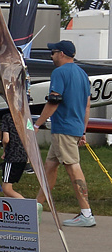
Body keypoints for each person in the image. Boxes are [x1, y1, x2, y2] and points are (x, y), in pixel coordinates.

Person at [32, 39, 93, 226]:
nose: (51, 56)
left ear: (62, 54)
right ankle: (36, 208)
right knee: (50, 166)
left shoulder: (59, 73)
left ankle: (86, 213)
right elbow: (87, 104)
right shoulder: (82, 74)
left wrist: (36, 125)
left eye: (53, 52)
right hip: (73, 128)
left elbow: (54, 101)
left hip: (63, 129)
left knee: (73, 168)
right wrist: (83, 130)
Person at [0, 114, 30, 200]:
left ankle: (29, 206)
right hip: (23, 155)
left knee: (6, 188)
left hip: (12, 156)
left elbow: (6, 139)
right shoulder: (25, 117)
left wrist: (5, 150)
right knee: (7, 190)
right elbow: (29, 136)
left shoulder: (7, 117)